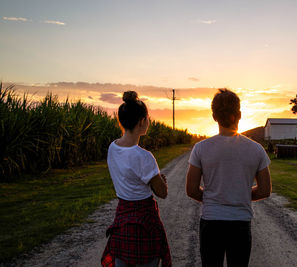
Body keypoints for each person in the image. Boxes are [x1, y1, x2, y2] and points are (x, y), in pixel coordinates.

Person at [186, 88, 272, 267]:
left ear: (214, 116)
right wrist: (239, 195)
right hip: (240, 223)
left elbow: (192, 190)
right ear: (239, 114)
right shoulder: (256, 149)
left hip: (211, 222)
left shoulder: (201, 148)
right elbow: (265, 190)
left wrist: (213, 198)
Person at [101, 91, 171, 267]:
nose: (149, 121)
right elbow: (162, 193)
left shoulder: (112, 147)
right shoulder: (144, 157)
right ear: (141, 122)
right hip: (144, 222)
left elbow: (128, 176)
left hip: (122, 218)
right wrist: (161, 180)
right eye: (148, 118)